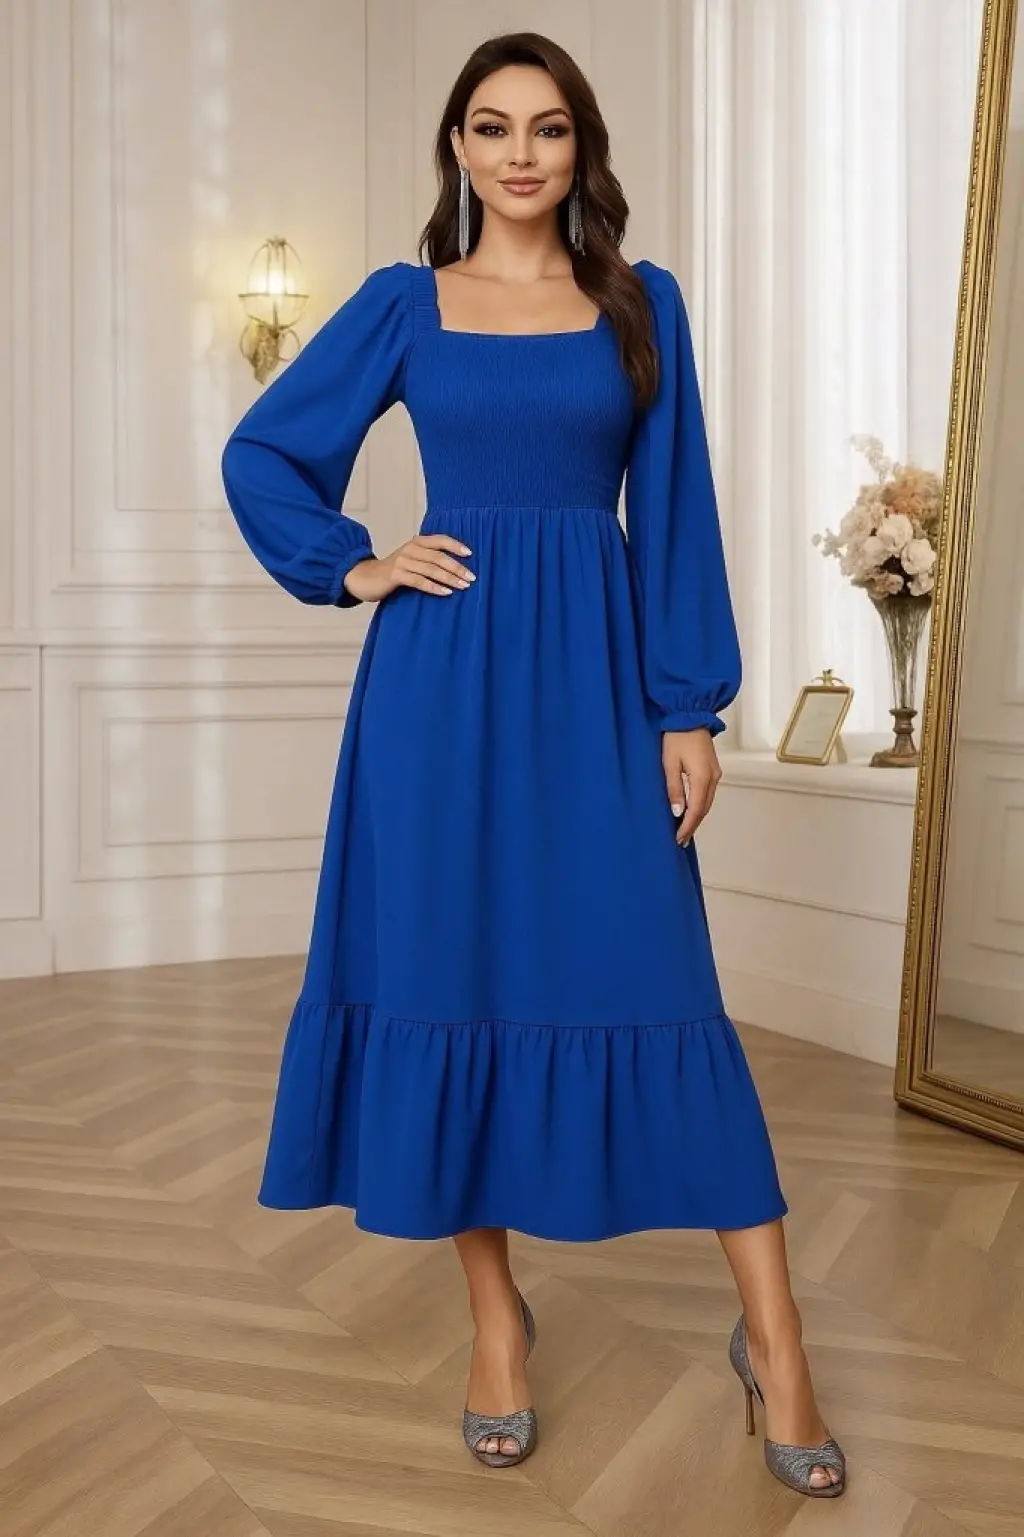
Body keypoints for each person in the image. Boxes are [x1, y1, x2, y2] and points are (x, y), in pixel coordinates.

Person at [221, 29, 845, 1500]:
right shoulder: (405, 303)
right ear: (457, 146)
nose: (519, 153)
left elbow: (676, 511)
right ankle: (496, 1318)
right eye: (493, 127)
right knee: (453, 977)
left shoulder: (640, 302)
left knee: (663, 985)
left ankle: (778, 1342)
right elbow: (263, 453)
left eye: (548, 128)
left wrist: (686, 709)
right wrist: (356, 563)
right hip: (437, 693)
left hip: (596, 687)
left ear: (580, 149)